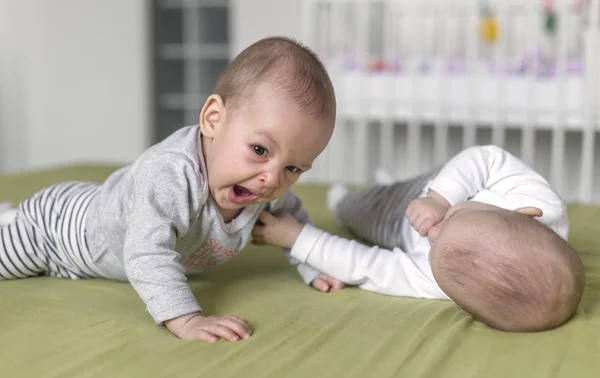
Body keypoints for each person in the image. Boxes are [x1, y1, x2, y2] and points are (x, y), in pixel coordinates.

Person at [0, 36, 341, 342]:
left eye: (293, 168)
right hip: (57, 233)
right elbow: (147, 252)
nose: (272, 178)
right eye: (259, 150)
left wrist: (314, 264)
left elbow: (294, 223)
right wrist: (187, 319)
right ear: (213, 119)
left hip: (99, 220)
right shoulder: (173, 173)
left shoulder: (266, 185)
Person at [252, 145, 585, 332]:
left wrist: (296, 237)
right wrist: (441, 200)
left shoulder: (452, 282)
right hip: (437, 186)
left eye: (436, 247)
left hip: (393, 222)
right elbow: (485, 159)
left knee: (360, 212)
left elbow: (371, 266)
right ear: (524, 214)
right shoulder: (537, 199)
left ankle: (340, 201)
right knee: (412, 188)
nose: (431, 230)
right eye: (454, 219)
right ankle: (394, 185)